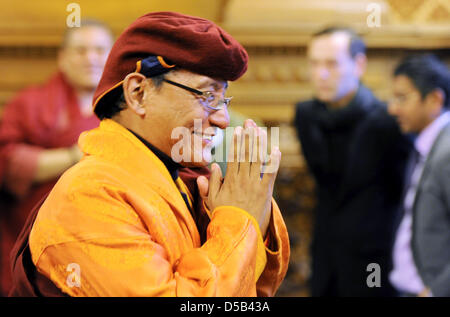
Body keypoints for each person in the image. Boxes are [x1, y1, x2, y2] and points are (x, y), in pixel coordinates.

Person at [9, 11, 290, 297]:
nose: (223, 119)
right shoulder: (89, 196)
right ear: (138, 93)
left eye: (223, 99)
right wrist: (238, 222)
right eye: (207, 96)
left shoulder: (186, 181)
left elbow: (252, 293)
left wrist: (256, 214)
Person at [294, 27, 410, 296]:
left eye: (332, 64)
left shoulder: (388, 122)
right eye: (314, 63)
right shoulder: (305, 115)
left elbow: (399, 195)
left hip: (374, 262)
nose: (321, 74)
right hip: (324, 257)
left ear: (359, 65)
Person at [0, 19, 113, 296]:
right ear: (62, 58)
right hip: (35, 234)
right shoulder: (30, 103)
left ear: (113, 57)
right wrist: (74, 155)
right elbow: (5, 160)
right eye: (81, 50)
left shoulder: (128, 107)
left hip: (104, 234)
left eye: (100, 50)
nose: (91, 58)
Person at [388, 55, 450, 297]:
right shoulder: (425, 143)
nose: (393, 108)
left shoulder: (447, 152)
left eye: (402, 98)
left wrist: (437, 290)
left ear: (434, 99)